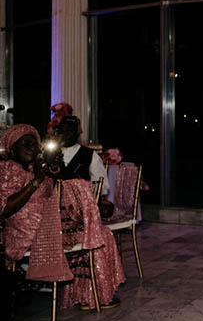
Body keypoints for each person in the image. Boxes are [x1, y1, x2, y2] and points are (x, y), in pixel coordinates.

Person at [0, 124, 125, 309]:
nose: (31, 148)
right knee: (98, 236)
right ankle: (95, 297)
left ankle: (85, 296)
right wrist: (36, 181)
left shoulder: (35, 170)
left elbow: (61, 196)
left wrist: (57, 174)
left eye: (34, 144)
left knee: (99, 233)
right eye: (25, 143)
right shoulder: (6, 169)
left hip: (48, 229)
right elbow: (5, 208)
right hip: (26, 235)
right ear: (11, 147)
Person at [55, 116, 109, 197]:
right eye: (62, 131)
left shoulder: (90, 155)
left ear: (77, 133)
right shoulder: (51, 154)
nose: (65, 134)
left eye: (69, 131)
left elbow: (102, 187)